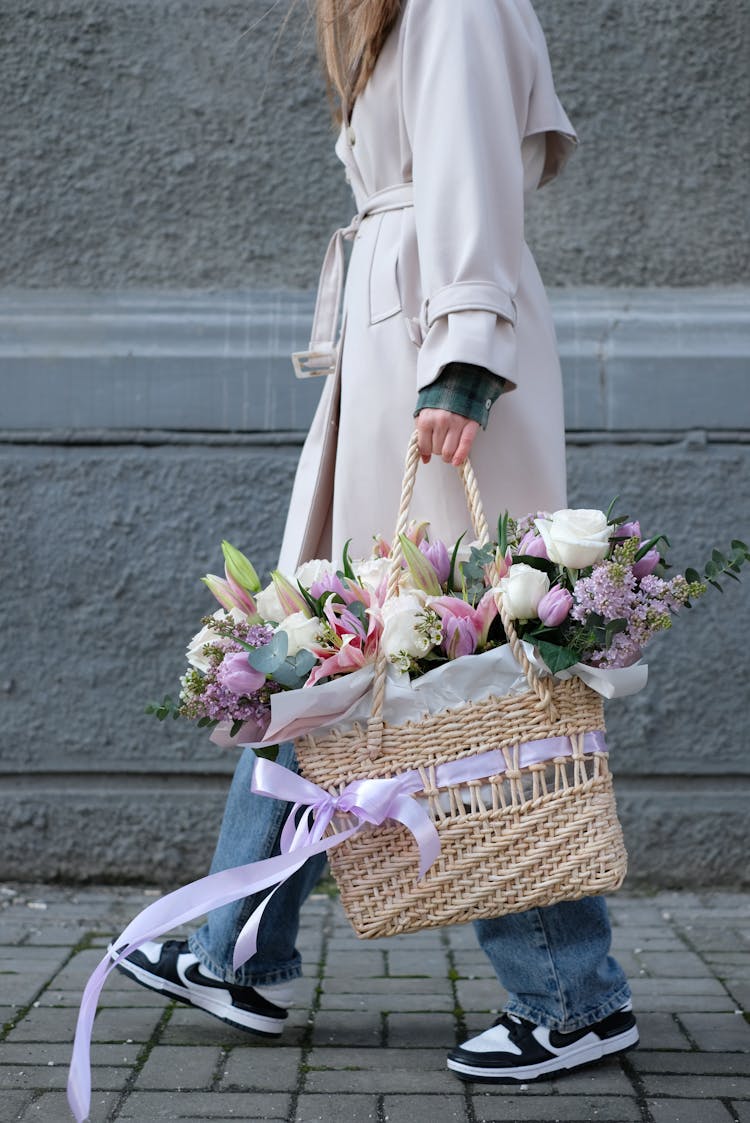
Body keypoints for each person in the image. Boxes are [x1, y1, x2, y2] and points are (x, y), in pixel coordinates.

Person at [117, 0, 638, 1082]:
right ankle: (236, 950)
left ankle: (573, 993)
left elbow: (477, 172)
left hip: (438, 361)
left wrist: (463, 358)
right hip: (401, 338)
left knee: (483, 675)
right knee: (328, 657)